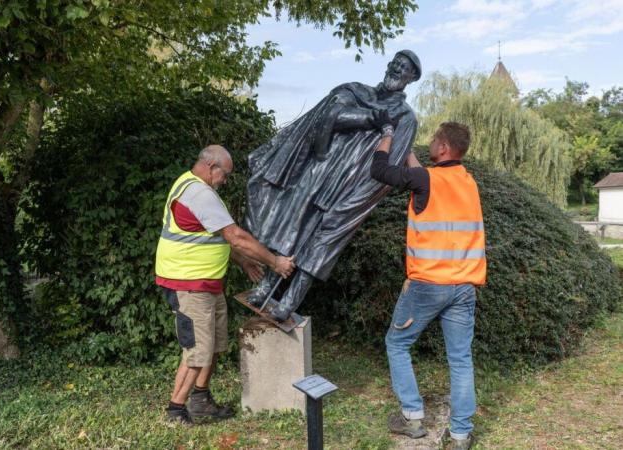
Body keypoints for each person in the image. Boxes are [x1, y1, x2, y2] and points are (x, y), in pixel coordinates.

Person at [246, 50, 422, 321]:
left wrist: (358, 200)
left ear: (412, 78)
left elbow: (392, 165)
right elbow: (328, 116)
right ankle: (267, 285)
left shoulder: (405, 118)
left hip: (351, 188)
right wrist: (369, 118)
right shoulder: (356, 91)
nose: (397, 69)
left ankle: (290, 302)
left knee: (322, 244)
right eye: (396, 63)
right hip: (320, 173)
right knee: (293, 230)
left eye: (405, 68)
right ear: (388, 64)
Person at [154, 145, 295, 424]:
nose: (225, 180)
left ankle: (201, 399)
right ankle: (175, 411)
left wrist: (243, 262)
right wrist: (275, 262)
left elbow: (215, 236)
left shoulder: (192, 186)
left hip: (206, 283)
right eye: (225, 175)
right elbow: (235, 236)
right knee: (197, 351)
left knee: (215, 345)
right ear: (210, 167)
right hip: (188, 284)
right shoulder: (199, 194)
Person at [370, 122, 486, 450]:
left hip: (428, 285)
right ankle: (461, 435)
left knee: (397, 344)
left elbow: (379, 169)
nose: (430, 144)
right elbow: (428, 182)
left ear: (444, 148)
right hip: (463, 285)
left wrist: (388, 136)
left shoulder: (427, 180)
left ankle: (412, 418)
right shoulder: (467, 182)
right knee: (461, 358)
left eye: (434, 140)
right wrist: (408, 152)